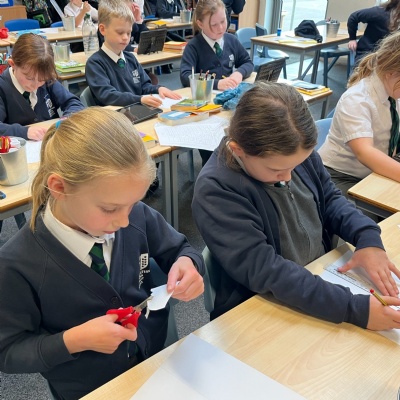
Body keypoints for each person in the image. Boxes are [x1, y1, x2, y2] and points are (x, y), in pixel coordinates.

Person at [0, 107, 205, 400]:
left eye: (132, 204)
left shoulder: (136, 215)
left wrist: (188, 264)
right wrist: (73, 341)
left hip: (154, 365)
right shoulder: (17, 264)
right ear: (59, 187)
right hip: (88, 389)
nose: (124, 221)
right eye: (110, 209)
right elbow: (8, 351)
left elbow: (181, 249)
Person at [192, 82, 400, 332]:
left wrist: (367, 238)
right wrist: (352, 307)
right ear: (239, 150)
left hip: (315, 279)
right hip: (261, 306)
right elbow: (266, 270)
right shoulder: (216, 190)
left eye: (295, 165)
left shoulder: (293, 151)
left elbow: (331, 199)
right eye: (277, 170)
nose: (289, 176)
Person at [318, 31, 400, 201]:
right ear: (391, 72)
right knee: (384, 209)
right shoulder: (358, 99)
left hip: (371, 171)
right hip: (339, 176)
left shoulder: (392, 93)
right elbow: (365, 152)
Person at [180, 0, 253, 166]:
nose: (221, 28)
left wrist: (239, 73)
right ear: (200, 24)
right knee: (215, 150)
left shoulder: (231, 40)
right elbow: (185, 76)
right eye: (214, 25)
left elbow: (247, 62)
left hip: (227, 105)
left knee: (244, 133)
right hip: (206, 110)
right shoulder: (194, 46)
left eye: (223, 21)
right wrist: (218, 83)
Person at [86, 0, 181, 108]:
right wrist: (139, 99)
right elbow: (108, 95)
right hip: (114, 116)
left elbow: (144, 85)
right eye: (120, 32)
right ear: (103, 29)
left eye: (128, 33)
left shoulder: (130, 58)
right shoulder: (95, 63)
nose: (125, 37)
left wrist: (158, 88)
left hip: (136, 111)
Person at [0, 33, 84, 141]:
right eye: (29, 78)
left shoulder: (47, 80)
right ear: (12, 64)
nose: (36, 85)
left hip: (50, 143)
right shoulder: (3, 87)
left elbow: (74, 103)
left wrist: (66, 119)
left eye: (41, 79)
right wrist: (25, 132)